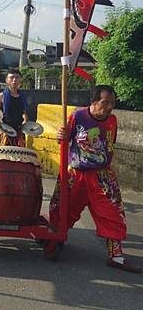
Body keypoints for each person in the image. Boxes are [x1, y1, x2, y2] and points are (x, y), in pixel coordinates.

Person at [50, 85, 140, 273]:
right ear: (93, 102)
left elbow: (110, 144)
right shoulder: (77, 116)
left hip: (102, 175)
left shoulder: (113, 120)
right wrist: (61, 135)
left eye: (112, 103)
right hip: (76, 173)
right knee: (63, 209)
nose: (109, 107)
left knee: (113, 213)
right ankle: (55, 240)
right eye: (105, 102)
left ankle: (116, 255)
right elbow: (64, 139)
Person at [0, 68, 29, 147]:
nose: (14, 80)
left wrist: (25, 120)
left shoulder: (22, 96)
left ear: (20, 80)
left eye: (17, 77)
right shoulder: (1, 96)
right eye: (11, 77)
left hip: (19, 131)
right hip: (6, 130)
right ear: (6, 80)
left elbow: (24, 112)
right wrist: (0, 126)